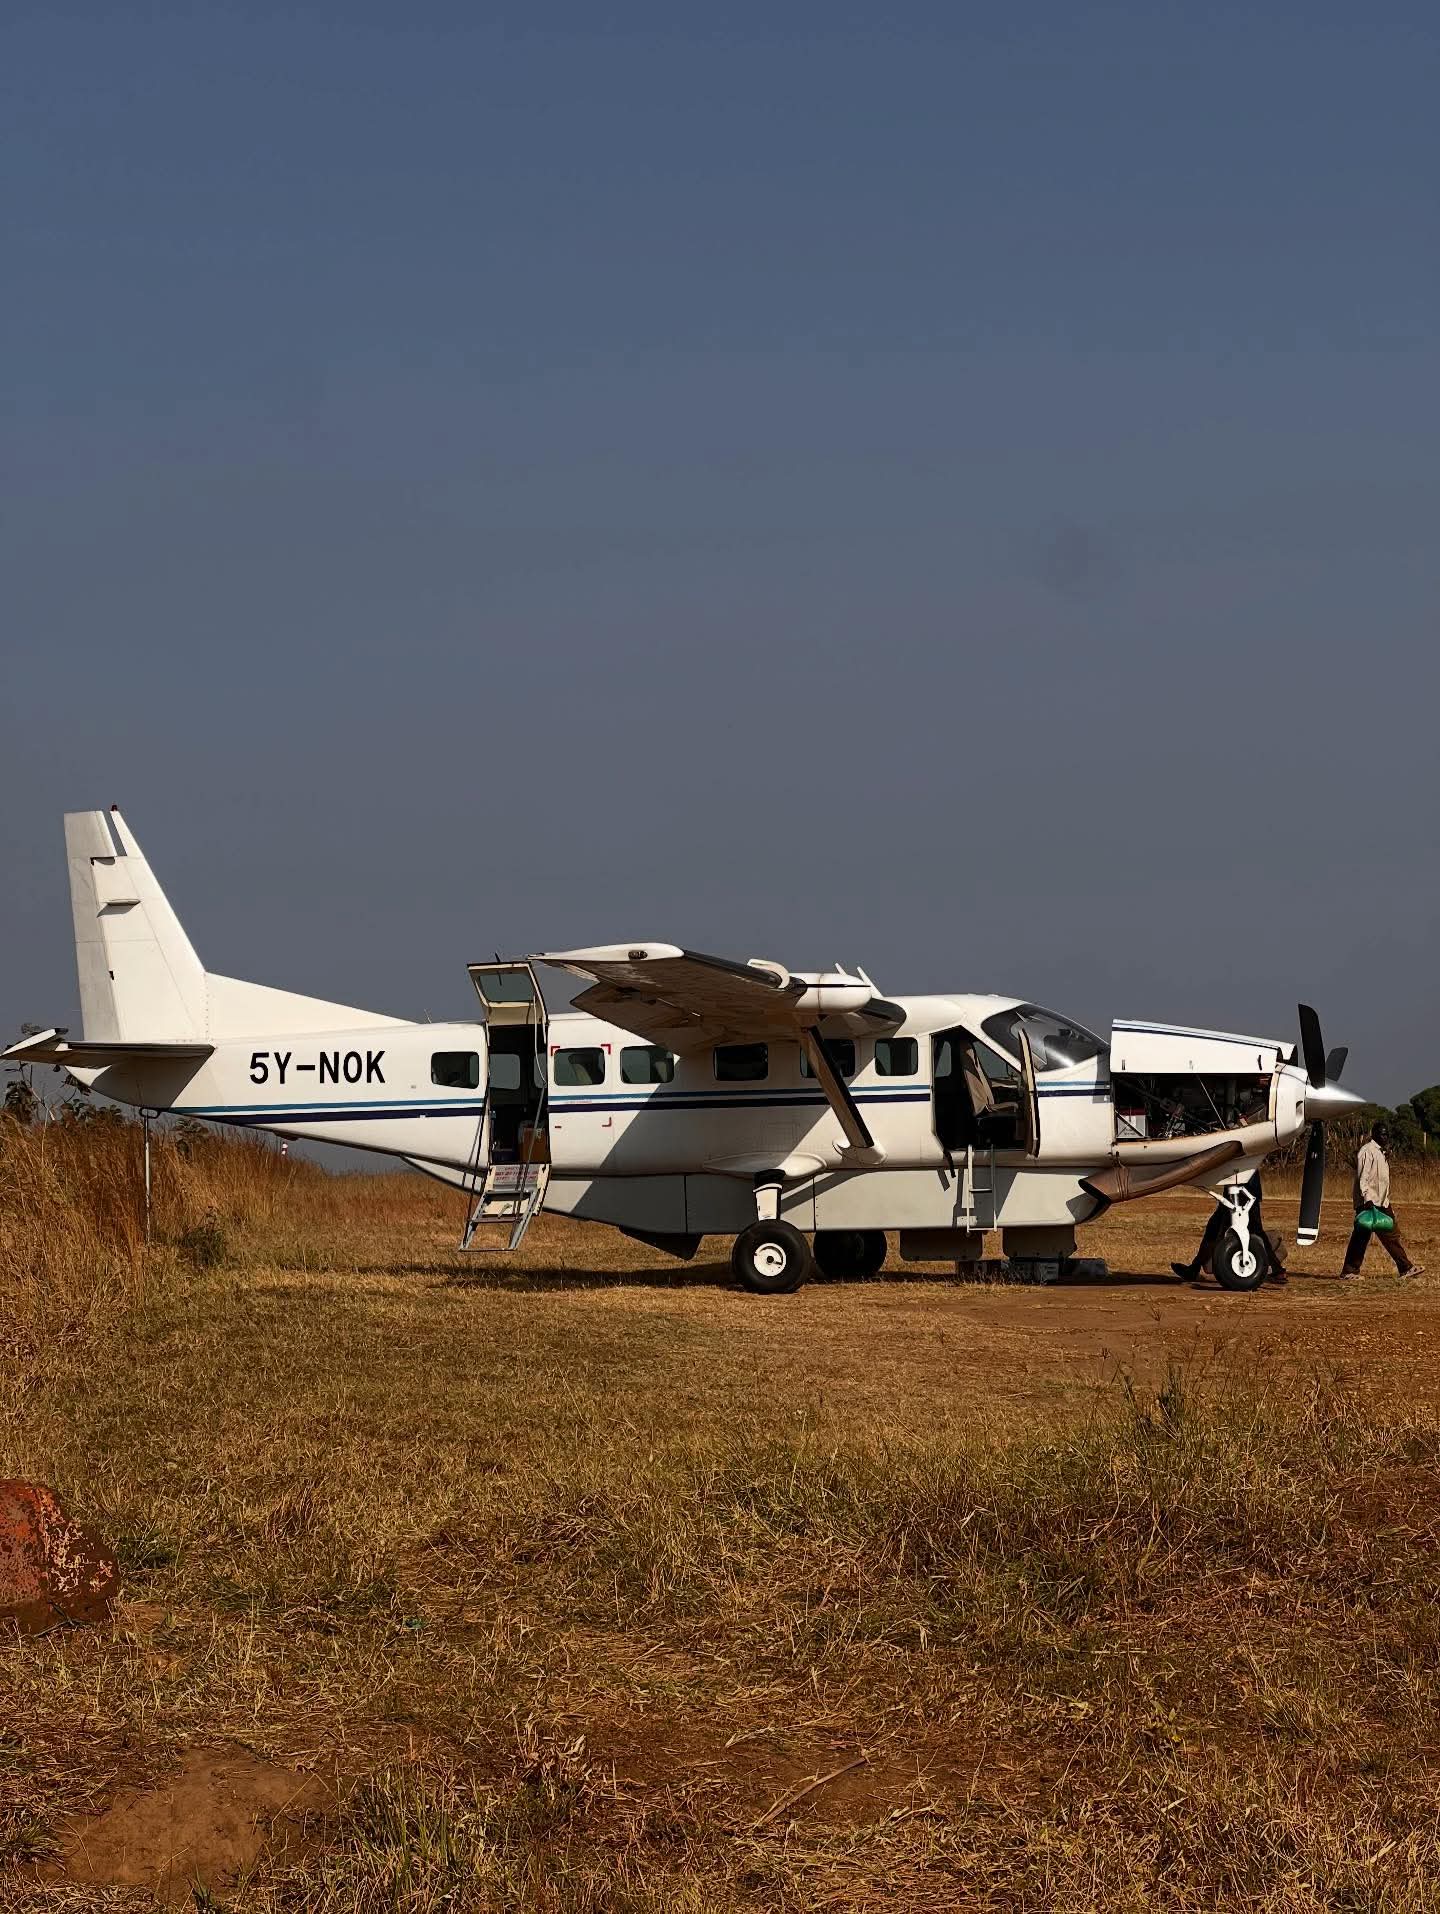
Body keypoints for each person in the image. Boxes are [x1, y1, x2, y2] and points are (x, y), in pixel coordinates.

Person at [1172, 1170, 1288, 1287]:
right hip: (1239, 1187)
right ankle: (1277, 1270)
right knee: (1218, 1227)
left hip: (1242, 1188)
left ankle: (1195, 1269)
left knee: (1218, 1228)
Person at [1340, 1123, 1425, 1278]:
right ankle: (1350, 1271)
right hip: (1370, 1203)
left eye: (1386, 1134)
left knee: (1390, 1235)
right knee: (1362, 1237)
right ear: (1374, 1134)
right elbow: (1362, 1177)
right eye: (1382, 1134)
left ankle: (1405, 1268)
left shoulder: (1381, 1152)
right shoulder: (1367, 1151)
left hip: (1382, 1202)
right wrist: (1367, 1199)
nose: (1385, 1137)